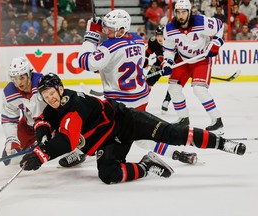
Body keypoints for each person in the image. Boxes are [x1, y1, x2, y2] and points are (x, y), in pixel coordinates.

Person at [19, 73, 246, 185]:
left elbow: (68, 141)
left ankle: (222, 143)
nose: (50, 99)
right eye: (46, 97)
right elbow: (45, 117)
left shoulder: (73, 107)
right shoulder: (58, 101)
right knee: (108, 175)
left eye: (52, 94)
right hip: (109, 141)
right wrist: (42, 132)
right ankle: (147, 164)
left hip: (127, 121)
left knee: (173, 134)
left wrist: (41, 153)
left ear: (60, 88)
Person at [77, 9, 197, 164]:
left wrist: (90, 37)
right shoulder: (138, 39)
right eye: (106, 27)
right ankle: (176, 153)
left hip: (119, 103)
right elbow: (117, 58)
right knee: (141, 134)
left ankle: (81, 151)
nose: (106, 31)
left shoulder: (108, 47)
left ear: (121, 30)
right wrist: (103, 29)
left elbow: (86, 62)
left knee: (94, 123)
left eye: (110, 28)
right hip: (140, 97)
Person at [1, 57, 85, 167]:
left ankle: (79, 151)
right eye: (15, 78)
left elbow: (60, 106)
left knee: (64, 136)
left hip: (51, 123)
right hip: (29, 125)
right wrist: (11, 138)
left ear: (29, 74)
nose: (18, 82)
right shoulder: (9, 92)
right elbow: (9, 118)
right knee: (8, 157)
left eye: (21, 77)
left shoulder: (42, 85)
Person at [161, 0, 225, 135]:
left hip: (201, 59)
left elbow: (219, 26)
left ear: (189, 12)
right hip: (183, 60)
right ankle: (183, 119)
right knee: (173, 89)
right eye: (178, 12)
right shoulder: (169, 28)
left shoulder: (201, 22)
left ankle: (217, 121)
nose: (181, 15)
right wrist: (167, 62)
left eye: (184, 12)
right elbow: (169, 49)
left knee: (199, 89)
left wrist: (216, 43)